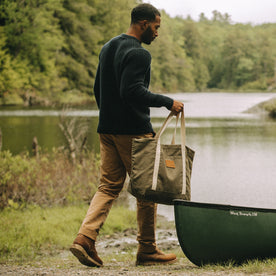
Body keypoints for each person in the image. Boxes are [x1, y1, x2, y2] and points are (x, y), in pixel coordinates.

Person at [70, 3, 184, 267]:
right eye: (156, 27)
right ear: (143, 24)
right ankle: (147, 250)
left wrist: (109, 118)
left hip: (107, 129)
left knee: (108, 186)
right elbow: (131, 91)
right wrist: (169, 102)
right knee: (147, 190)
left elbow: (99, 90)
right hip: (133, 131)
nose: (157, 33)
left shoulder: (108, 47)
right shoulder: (139, 54)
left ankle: (84, 238)